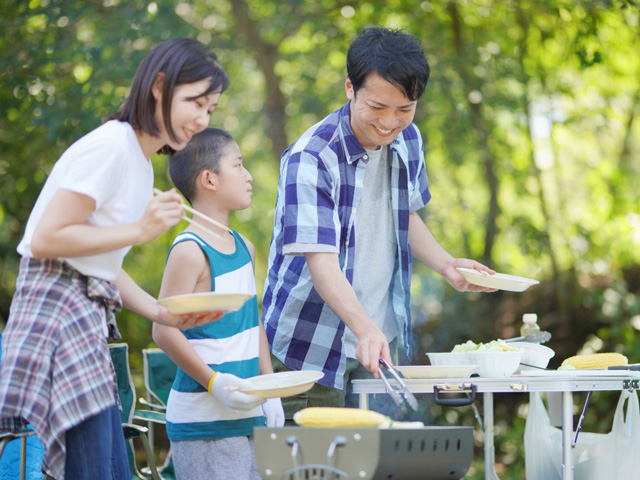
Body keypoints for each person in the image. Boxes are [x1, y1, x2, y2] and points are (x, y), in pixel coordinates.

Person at [0, 38, 230, 479]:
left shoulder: (140, 165)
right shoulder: (111, 146)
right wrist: (140, 231)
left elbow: (102, 262)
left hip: (82, 319)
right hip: (56, 314)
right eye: (195, 103)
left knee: (108, 468)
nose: (201, 120)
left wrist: (162, 313)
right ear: (159, 87)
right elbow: (46, 238)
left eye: (211, 109)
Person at [262, 27, 496, 419]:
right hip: (310, 346)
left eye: (404, 109)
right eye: (378, 107)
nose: (390, 122)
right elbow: (321, 263)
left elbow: (404, 214)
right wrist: (363, 327)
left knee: (384, 461)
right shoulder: (311, 158)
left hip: (380, 342)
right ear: (350, 88)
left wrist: (445, 263)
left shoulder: (408, 140)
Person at [153, 127, 284, 480]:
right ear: (209, 179)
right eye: (239, 165)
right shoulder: (189, 250)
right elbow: (163, 331)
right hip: (203, 423)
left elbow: (251, 320)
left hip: (250, 414)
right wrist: (215, 383)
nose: (248, 175)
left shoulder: (244, 246)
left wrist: (270, 389)